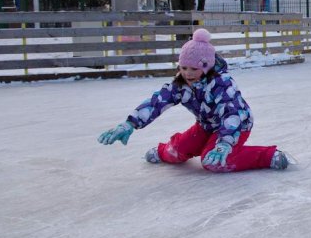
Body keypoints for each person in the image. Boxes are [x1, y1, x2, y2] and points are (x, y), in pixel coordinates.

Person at [97, 29, 292, 172]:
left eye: (194, 69)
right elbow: (156, 102)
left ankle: (267, 156)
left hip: (237, 125)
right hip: (207, 125)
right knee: (175, 152)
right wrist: (129, 124)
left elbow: (232, 114)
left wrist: (224, 143)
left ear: (206, 67)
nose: (188, 73)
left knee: (212, 161)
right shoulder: (181, 85)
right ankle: (163, 151)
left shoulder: (222, 84)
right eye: (184, 67)